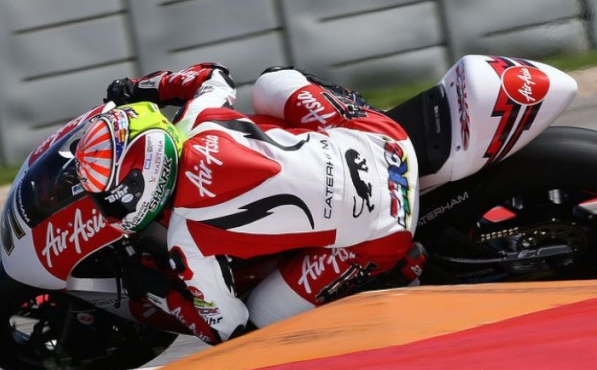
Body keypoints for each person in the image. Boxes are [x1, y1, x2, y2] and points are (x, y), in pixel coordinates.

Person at [74, 62, 425, 345]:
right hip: (385, 138)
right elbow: (213, 75)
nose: (106, 203)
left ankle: (396, 275)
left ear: (141, 182)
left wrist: (153, 287)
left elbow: (226, 330)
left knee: (257, 325)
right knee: (271, 80)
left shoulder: (188, 237)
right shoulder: (198, 117)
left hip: (386, 231)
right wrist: (139, 88)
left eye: (108, 193)